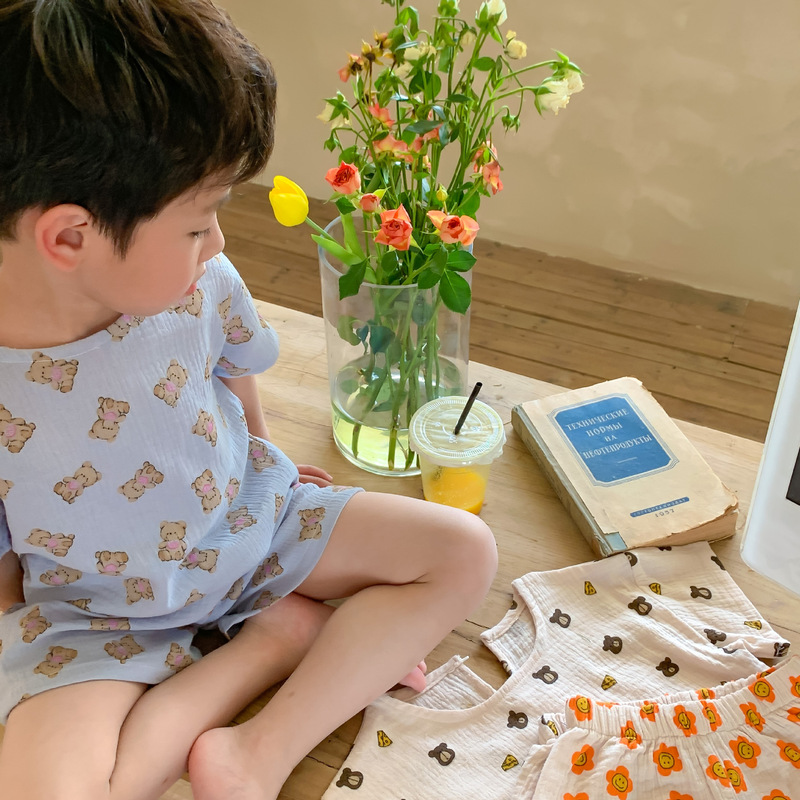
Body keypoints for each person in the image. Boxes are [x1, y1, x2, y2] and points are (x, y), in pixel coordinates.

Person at [0, 1, 498, 798]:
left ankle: (259, 751)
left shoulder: (201, 282)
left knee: (463, 551)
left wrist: (266, 457)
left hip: (248, 530)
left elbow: (233, 368)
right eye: (199, 223)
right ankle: (273, 645)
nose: (219, 243)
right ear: (69, 237)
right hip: (90, 611)